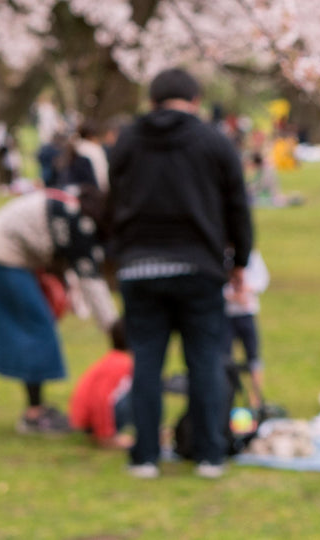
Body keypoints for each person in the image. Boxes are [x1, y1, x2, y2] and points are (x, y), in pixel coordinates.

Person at [106, 68, 253, 481]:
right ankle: (209, 454)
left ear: (152, 101)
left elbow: (112, 202)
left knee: (147, 362)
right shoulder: (213, 141)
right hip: (199, 266)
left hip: (138, 266)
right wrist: (239, 261)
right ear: (194, 99)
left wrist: (115, 256)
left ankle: (145, 455)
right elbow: (237, 204)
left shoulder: (129, 142)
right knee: (204, 360)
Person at [0, 156, 115, 434]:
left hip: (4, 245)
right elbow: (91, 282)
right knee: (37, 326)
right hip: (2, 254)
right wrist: (114, 330)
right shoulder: (79, 225)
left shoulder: (75, 203)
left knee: (34, 323)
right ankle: (34, 415)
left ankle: (36, 409)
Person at [70, 321, 136, 450]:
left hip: (88, 421)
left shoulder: (115, 359)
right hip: (92, 422)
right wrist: (106, 435)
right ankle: (108, 435)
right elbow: (101, 400)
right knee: (140, 392)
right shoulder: (123, 364)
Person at [225, 248, 269, 407]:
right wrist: (232, 296)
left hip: (247, 313)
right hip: (226, 315)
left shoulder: (251, 254)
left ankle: (256, 400)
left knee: (254, 358)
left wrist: (246, 290)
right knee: (225, 360)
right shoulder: (219, 251)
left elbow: (262, 280)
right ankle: (227, 398)